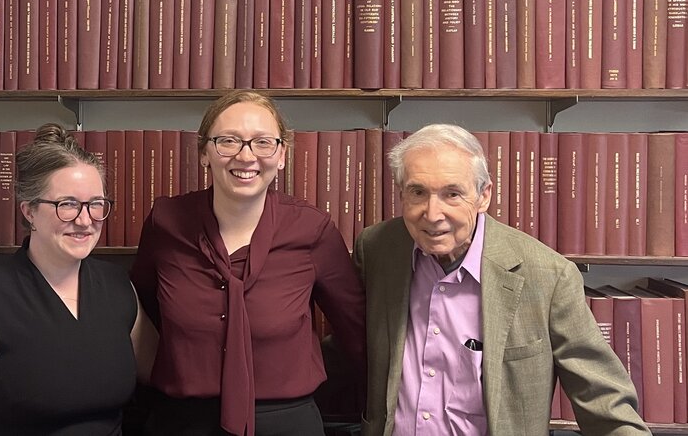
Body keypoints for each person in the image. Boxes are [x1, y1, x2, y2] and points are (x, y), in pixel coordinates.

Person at [353, 123, 648, 436]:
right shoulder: (377, 250)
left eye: (452, 194)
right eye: (418, 192)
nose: (433, 213)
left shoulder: (547, 276)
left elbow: (605, 400)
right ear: (401, 194)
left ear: (484, 196)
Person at [131, 90, 367, 436]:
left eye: (262, 143)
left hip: (287, 422)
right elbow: (142, 314)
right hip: (182, 422)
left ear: (282, 155)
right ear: (204, 153)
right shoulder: (165, 223)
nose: (246, 156)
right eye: (228, 141)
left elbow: (357, 334)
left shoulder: (312, 229)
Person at [0, 123, 156, 435]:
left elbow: (160, 375)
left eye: (95, 205)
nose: (85, 220)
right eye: (67, 205)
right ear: (29, 211)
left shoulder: (119, 288)